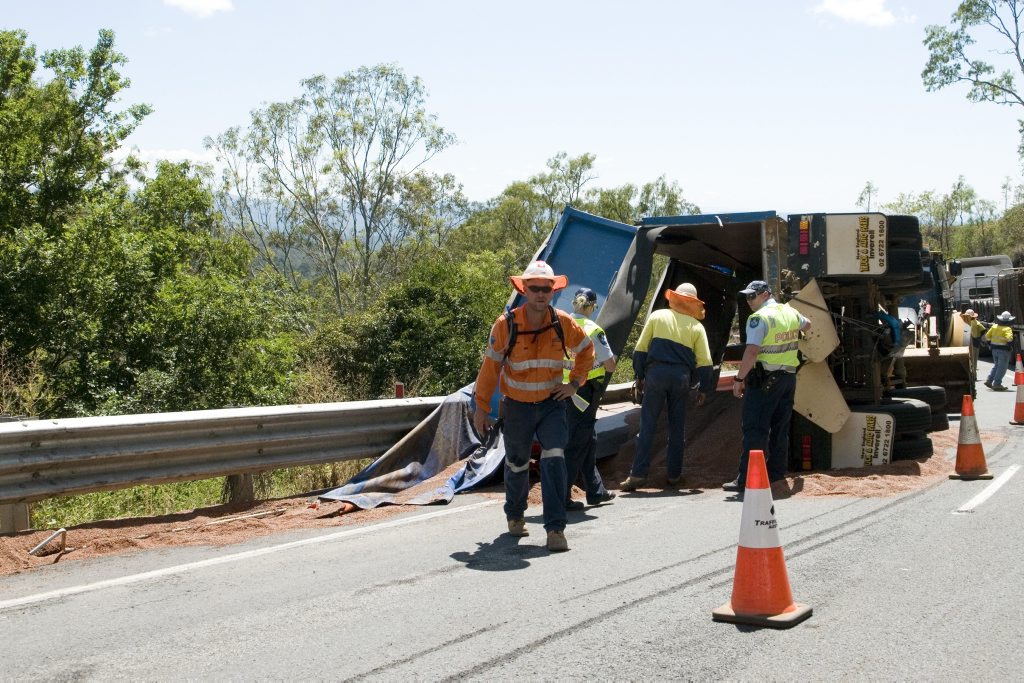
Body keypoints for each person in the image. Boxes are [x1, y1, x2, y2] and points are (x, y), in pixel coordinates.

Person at [473, 260, 595, 552]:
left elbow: (587, 352)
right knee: (516, 463)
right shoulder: (507, 325)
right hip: (517, 406)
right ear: (524, 289)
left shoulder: (563, 322)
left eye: (546, 288)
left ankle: (555, 529)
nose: (541, 293)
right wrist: (481, 408)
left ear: (553, 290)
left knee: (554, 460)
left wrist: (574, 385)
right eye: (535, 288)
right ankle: (515, 514)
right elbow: (490, 369)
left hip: (552, 404)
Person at [620, 282, 713, 491]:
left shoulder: (657, 316)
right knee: (677, 428)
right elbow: (705, 362)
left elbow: (640, 350)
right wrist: (704, 389)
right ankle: (673, 475)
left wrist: (640, 376)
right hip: (681, 377)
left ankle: (637, 474)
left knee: (648, 425)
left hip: (656, 374)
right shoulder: (697, 327)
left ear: (675, 298)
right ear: (693, 304)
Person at [724, 280, 811, 493]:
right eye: (747, 296)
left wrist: (738, 379)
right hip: (788, 379)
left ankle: (747, 479)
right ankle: (776, 476)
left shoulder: (758, 319)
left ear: (765, 294)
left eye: (752, 296)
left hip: (765, 381)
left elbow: (752, 351)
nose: (748, 300)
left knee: (755, 429)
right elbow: (807, 324)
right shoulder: (789, 312)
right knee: (780, 429)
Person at [562, 288, 617, 510]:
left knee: (588, 438)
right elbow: (610, 364)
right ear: (592, 307)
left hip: (564, 390)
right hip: (585, 391)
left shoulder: (563, 327)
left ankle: (595, 490)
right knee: (578, 442)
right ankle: (562, 495)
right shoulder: (593, 330)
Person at [984, 310, 1016, 391]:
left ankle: (989, 380)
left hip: (994, 349)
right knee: (1002, 368)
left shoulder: (994, 326)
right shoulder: (1007, 329)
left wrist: (990, 343)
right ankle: (997, 384)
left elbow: (987, 337)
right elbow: (1009, 339)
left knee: (996, 366)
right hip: (1003, 351)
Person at [960, 308, 988, 380]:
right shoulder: (976, 323)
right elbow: (984, 330)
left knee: (967, 360)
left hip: (965, 344)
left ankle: (967, 375)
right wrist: (980, 339)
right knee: (974, 360)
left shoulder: (964, 323)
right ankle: (974, 376)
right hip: (975, 344)